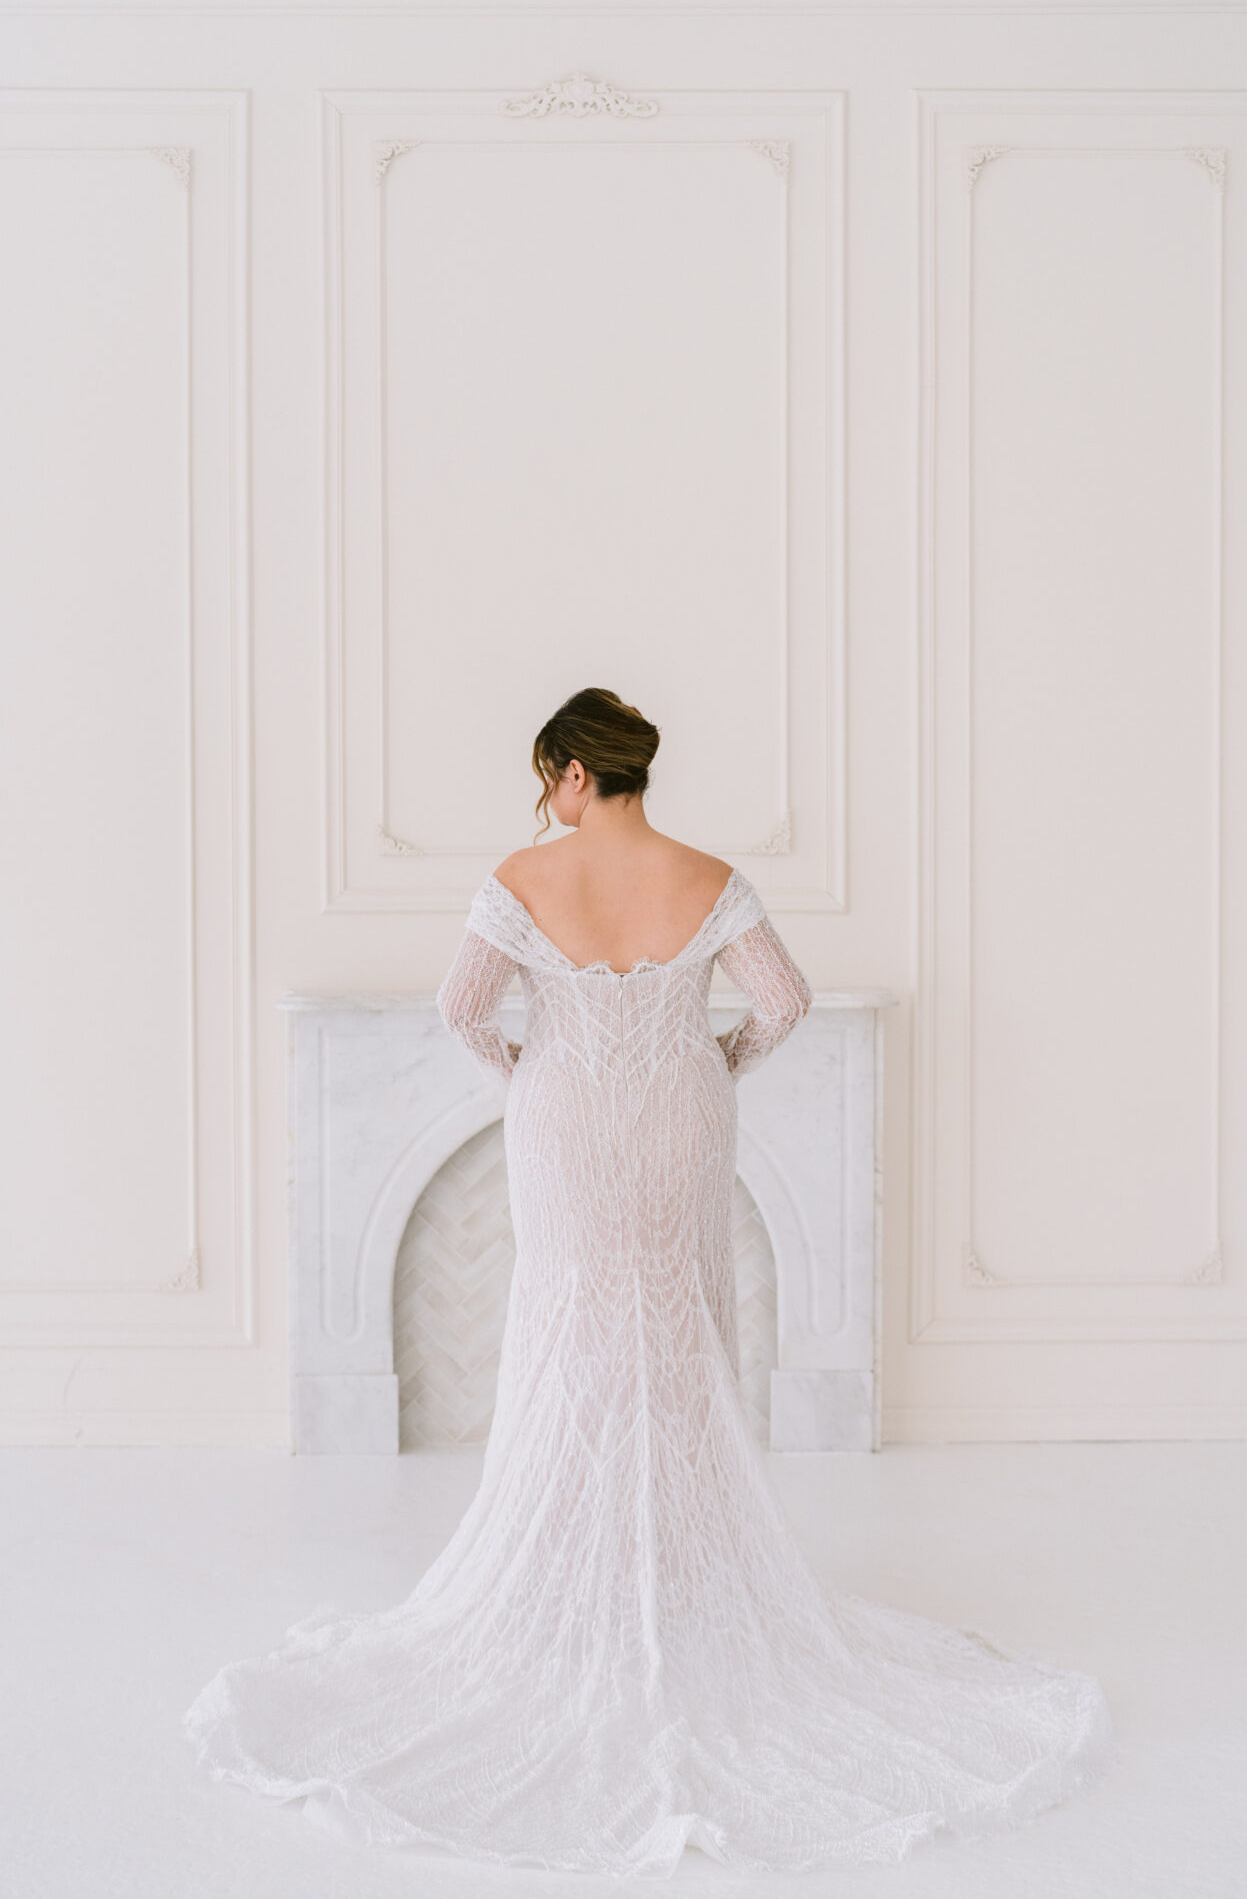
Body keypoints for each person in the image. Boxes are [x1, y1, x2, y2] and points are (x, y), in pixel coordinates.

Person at [183, 688, 1118, 1876]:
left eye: (547, 776)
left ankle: (573, 1570)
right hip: (682, 1111)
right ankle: (678, 1575)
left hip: (563, 1114)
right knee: (675, 1324)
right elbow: (782, 1001)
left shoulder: (525, 877)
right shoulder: (707, 874)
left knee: (570, 1320)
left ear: (576, 772)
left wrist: (528, 1067)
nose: (545, 797)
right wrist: (711, 1060)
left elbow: (459, 1006)